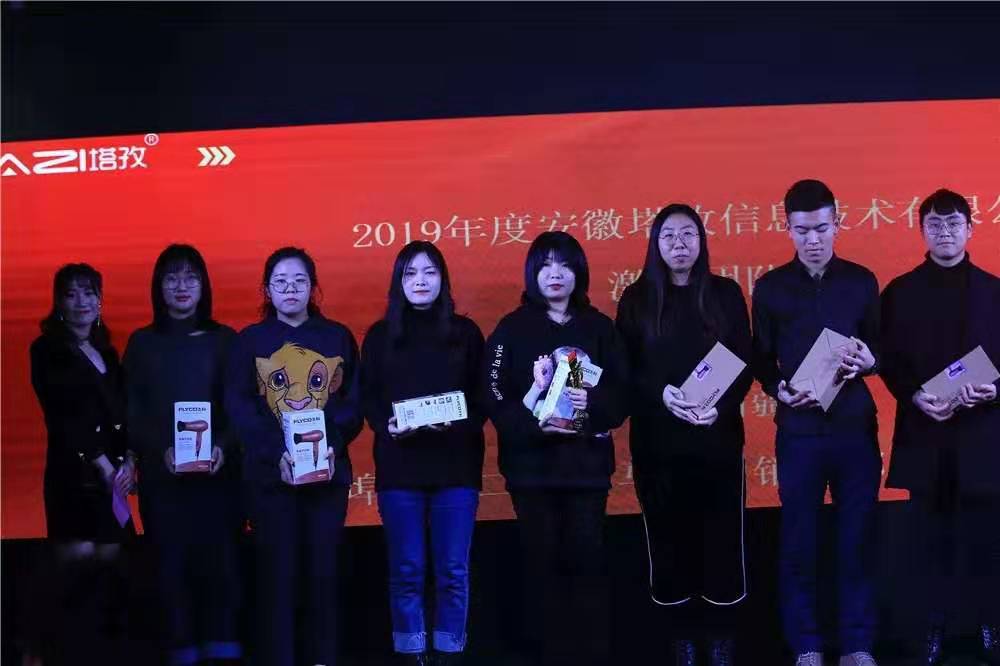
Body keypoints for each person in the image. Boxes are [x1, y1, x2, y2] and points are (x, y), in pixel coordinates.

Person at [751, 180, 881, 666]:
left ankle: (857, 645)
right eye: (802, 230)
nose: (813, 239)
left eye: (822, 228)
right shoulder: (770, 288)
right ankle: (807, 645)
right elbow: (760, 359)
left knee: (857, 539)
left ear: (837, 224)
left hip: (854, 429)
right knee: (799, 541)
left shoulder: (861, 281)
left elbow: (881, 346)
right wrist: (777, 388)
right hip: (800, 432)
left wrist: (870, 361)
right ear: (787, 228)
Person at [616, 204, 753, 666]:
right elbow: (624, 369)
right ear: (655, 243)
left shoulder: (725, 294)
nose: (679, 244)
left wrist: (720, 408)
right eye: (669, 236)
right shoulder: (636, 299)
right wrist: (661, 394)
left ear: (702, 241)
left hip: (717, 441)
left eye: (688, 234)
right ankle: (681, 644)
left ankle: (721, 642)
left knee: (721, 542)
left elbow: (743, 361)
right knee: (667, 542)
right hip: (658, 445)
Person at [483, 231, 628, 666]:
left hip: (586, 473)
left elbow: (623, 391)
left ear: (578, 271)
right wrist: (532, 422)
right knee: (539, 568)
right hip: (532, 472)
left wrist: (592, 405)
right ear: (532, 273)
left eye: (564, 264)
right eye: (545, 265)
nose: (555, 274)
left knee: (587, 566)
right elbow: (493, 393)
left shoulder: (600, 328)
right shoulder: (511, 329)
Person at [224, 246, 363, 666]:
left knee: (323, 575)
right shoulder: (249, 341)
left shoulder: (337, 337)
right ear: (267, 289)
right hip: (271, 481)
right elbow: (240, 407)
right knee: (276, 578)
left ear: (312, 287)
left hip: (326, 477)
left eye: (299, 280)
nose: (290, 288)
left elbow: (353, 401)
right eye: (281, 281)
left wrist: (330, 443)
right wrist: (276, 455)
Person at [880, 189, 1000, 666]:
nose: (944, 232)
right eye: (934, 224)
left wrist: (995, 390)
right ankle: (931, 630)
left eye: (953, 224)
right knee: (928, 542)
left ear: (970, 229)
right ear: (921, 231)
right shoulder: (899, 292)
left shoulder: (995, 291)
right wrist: (913, 395)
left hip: (982, 436)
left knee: (986, 541)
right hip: (927, 433)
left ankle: (990, 627)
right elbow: (887, 360)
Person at [361, 241, 486, 666]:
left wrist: (457, 422)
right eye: (410, 273)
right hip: (400, 469)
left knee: (453, 571)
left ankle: (450, 651)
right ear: (398, 281)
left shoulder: (466, 334)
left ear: (443, 280)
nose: (420, 281)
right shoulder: (380, 337)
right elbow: (368, 397)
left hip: (456, 468)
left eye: (430, 272)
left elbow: (482, 398)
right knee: (407, 570)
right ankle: (411, 652)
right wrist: (387, 425)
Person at [123, 244, 242, 664]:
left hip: (217, 481)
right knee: (170, 574)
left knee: (221, 571)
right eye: (171, 277)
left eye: (190, 277)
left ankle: (224, 652)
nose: (181, 286)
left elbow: (240, 407)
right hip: (164, 483)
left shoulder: (225, 340)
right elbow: (131, 413)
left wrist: (223, 446)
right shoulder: (142, 344)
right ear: (158, 286)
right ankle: (182, 654)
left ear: (203, 285)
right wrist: (160, 450)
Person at [28, 262, 136, 663]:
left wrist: (129, 459)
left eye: (89, 293)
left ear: (100, 301)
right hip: (73, 478)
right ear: (58, 302)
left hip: (112, 480)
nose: (81, 302)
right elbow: (64, 414)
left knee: (112, 570)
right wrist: (104, 466)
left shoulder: (108, 351)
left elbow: (122, 414)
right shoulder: (46, 350)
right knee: (73, 571)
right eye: (71, 294)